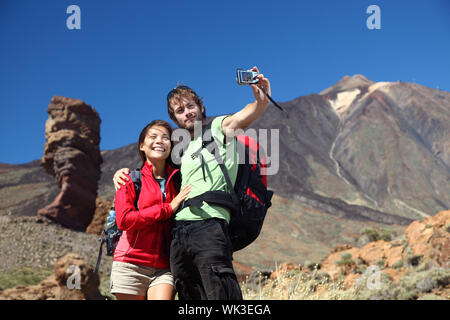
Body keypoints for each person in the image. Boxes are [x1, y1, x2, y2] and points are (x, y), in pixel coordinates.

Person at [114, 66, 272, 299]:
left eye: (190, 106)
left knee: (221, 293)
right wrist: (121, 172)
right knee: (190, 296)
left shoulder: (219, 129)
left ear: (200, 107)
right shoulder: (179, 151)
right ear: (175, 118)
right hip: (177, 234)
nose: (187, 112)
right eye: (180, 110)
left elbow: (245, 115)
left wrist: (261, 101)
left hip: (209, 225)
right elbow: (152, 169)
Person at [110, 120, 191, 300]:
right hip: (130, 263)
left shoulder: (180, 178)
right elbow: (124, 220)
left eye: (165, 138)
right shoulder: (129, 179)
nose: (159, 141)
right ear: (142, 146)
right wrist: (167, 208)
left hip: (164, 266)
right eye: (153, 137)